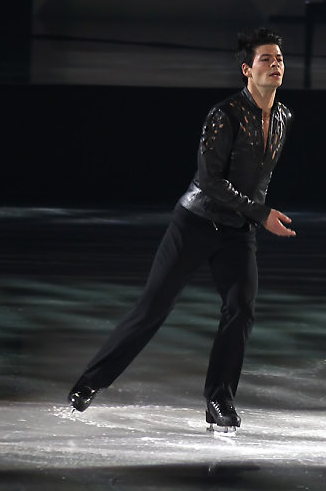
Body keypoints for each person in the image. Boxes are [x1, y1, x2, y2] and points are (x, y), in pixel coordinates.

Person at [67, 27, 295, 432]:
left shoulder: (283, 117)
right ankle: (90, 383)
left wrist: (254, 217)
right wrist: (261, 213)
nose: (276, 64)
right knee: (153, 308)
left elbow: (258, 178)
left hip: (238, 231)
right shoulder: (223, 115)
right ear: (246, 69)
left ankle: (219, 400)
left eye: (279, 58)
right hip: (195, 222)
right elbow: (210, 181)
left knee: (241, 308)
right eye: (266, 59)